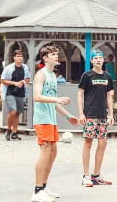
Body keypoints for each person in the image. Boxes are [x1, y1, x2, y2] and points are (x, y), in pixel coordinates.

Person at [31, 45, 78, 202]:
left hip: (51, 119)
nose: (56, 56)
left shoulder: (52, 76)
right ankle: (37, 191)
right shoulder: (41, 75)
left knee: (53, 153)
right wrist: (57, 99)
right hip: (42, 119)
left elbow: (54, 102)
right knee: (45, 152)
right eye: (53, 54)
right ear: (45, 58)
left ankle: (44, 187)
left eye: (57, 54)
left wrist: (68, 116)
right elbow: (37, 97)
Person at [77, 49, 114, 187]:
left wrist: (110, 114)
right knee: (88, 143)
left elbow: (109, 96)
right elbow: (80, 94)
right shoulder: (87, 75)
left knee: (103, 143)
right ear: (91, 61)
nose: (98, 60)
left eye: (100, 57)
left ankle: (96, 175)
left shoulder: (107, 76)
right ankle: (85, 176)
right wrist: (81, 113)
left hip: (103, 115)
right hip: (90, 115)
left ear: (103, 60)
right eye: (95, 58)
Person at [1, 50, 31, 141]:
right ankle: (8, 130)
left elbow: (28, 79)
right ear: (14, 58)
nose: (19, 58)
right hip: (10, 92)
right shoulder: (8, 68)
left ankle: (15, 132)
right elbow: (2, 80)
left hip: (21, 92)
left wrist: (23, 81)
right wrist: (14, 83)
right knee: (13, 111)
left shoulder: (25, 67)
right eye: (17, 56)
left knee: (18, 113)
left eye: (21, 56)